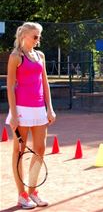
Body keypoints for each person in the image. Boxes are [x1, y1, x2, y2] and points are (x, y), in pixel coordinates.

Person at [5, 22, 56, 209]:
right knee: (19, 152)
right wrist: (14, 115)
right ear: (24, 36)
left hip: (39, 110)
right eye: (35, 36)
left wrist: (49, 108)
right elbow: (10, 86)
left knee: (40, 149)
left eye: (39, 36)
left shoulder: (40, 55)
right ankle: (21, 194)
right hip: (21, 109)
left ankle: (33, 191)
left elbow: (45, 83)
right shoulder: (15, 56)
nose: (38, 39)